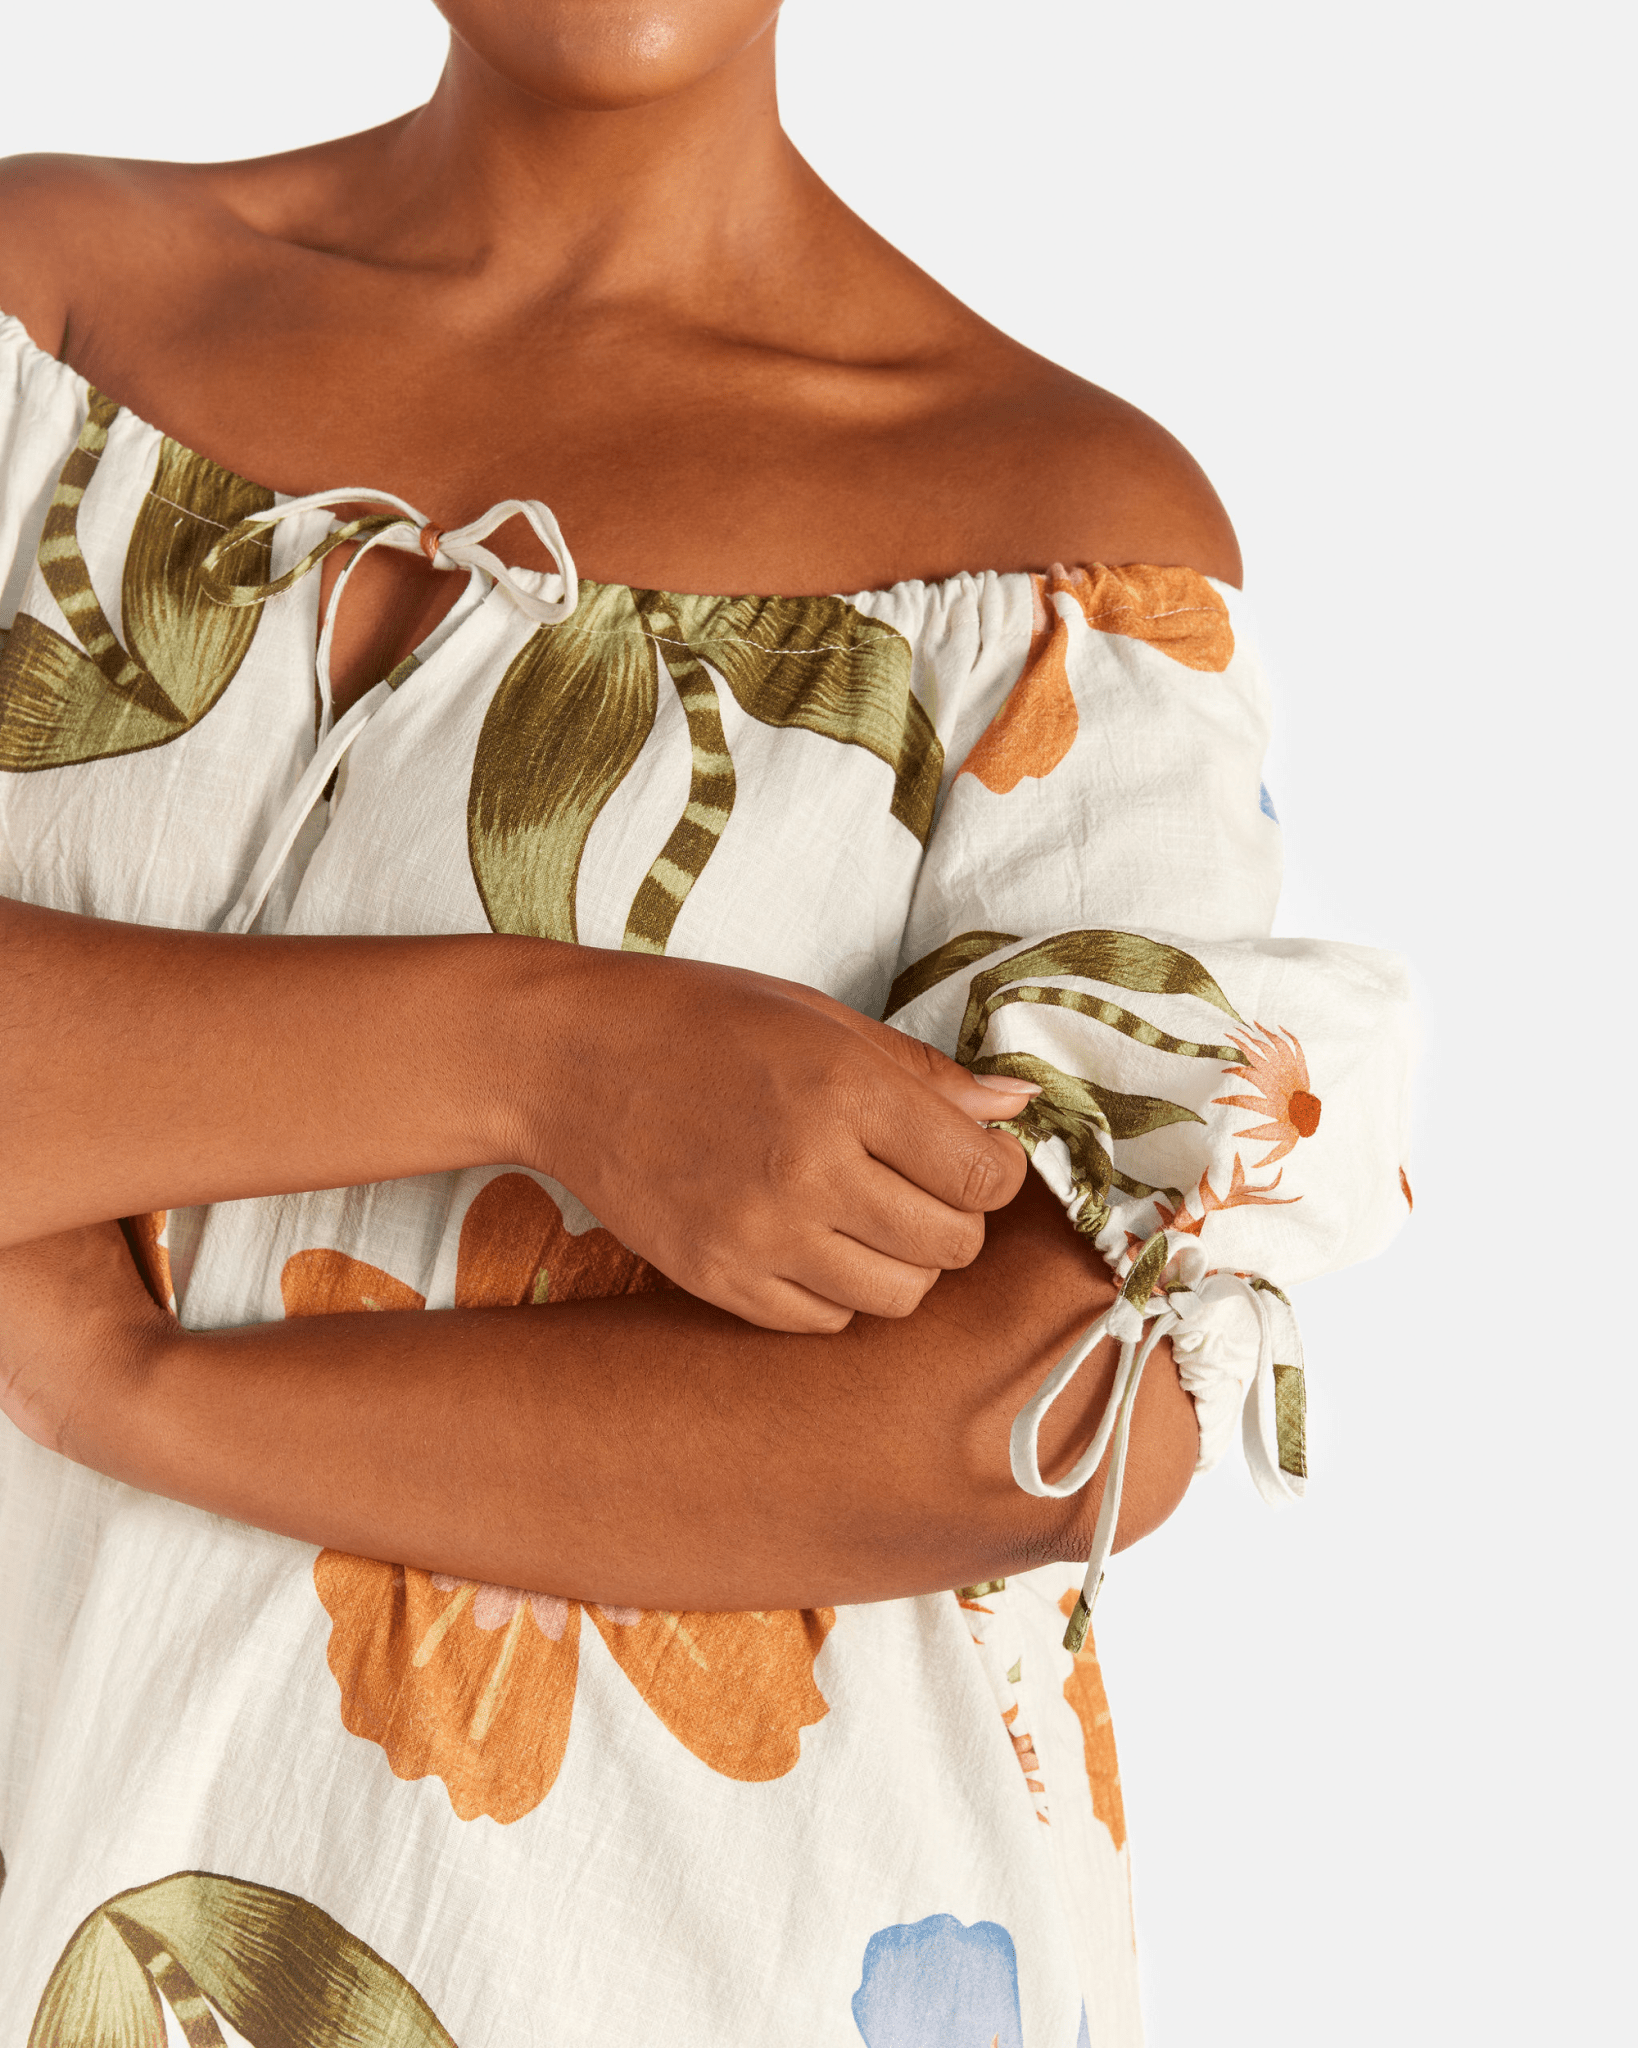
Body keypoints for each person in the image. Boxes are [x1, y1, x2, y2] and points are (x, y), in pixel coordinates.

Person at [0, 5, 1413, 2041]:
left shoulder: (1050, 544)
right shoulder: (53, 310)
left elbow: (1052, 1410)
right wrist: (548, 1055)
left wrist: (127, 1386)